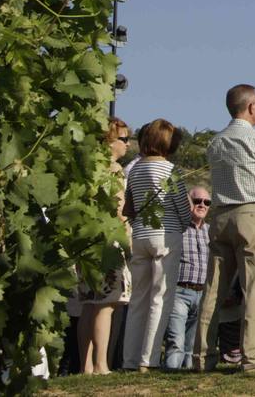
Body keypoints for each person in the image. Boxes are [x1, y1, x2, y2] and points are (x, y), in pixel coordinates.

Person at [193, 84, 255, 373]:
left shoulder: (215, 143)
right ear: (251, 107)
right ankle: (253, 356)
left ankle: (201, 357)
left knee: (213, 289)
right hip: (252, 213)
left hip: (220, 215)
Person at [122, 118, 192, 371]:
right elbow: (183, 210)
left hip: (139, 235)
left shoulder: (134, 170)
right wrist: (183, 223)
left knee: (138, 300)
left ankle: (129, 360)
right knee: (160, 298)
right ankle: (148, 360)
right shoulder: (170, 170)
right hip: (165, 235)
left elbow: (129, 208)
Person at [76, 117, 133, 375]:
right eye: (123, 139)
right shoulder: (114, 170)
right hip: (109, 241)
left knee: (89, 303)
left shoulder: (86, 168)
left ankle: (86, 365)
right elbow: (119, 209)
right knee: (107, 304)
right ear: (109, 141)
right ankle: (101, 364)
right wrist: (127, 239)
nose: (127, 144)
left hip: (86, 241)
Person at [162, 187, 210, 370]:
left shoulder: (212, 232)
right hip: (179, 292)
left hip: (202, 294)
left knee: (192, 346)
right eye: (197, 201)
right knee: (176, 341)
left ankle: (187, 380)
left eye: (207, 202)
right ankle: (169, 376)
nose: (202, 205)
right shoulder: (177, 229)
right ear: (188, 203)